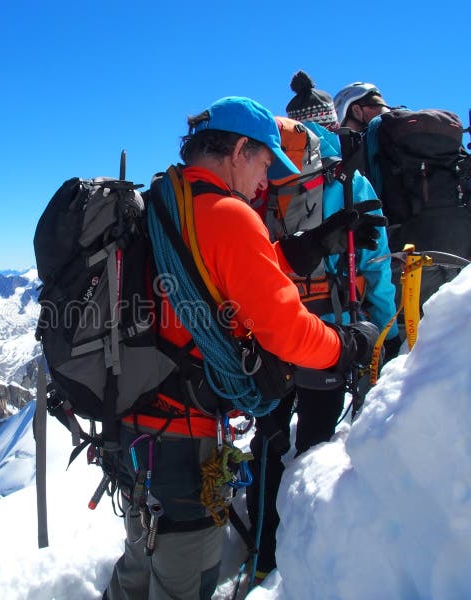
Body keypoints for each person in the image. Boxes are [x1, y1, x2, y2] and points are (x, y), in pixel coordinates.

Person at [105, 96, 381, 600]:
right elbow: (286, 332)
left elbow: (224, 267)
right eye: (265, 162)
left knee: (140, 559)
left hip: (130, 421)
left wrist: (313, 242)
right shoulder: (229, 215)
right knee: (185, 572)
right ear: (237, 149)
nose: (267, 179)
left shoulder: (167, 200)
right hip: (182, 433)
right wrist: (345, 346)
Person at [244, 73, 398, 585]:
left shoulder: (265, 185)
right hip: (332, 336)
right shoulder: (354, 183)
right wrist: (379, 328)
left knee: (268, 441)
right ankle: (302, 562)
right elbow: (374, 266)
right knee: (315, 444)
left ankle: (261, 552)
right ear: (332, 125)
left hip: (271, 335)